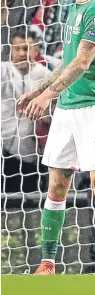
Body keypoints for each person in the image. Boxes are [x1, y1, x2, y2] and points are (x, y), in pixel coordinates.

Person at [16, 0, 95, 275]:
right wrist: (36, 90)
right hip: (67, 108)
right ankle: (47, 264)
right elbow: (65, 62)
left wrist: (47, 94)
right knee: (56, 186)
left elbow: (82, 62)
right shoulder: (71, 7)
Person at [2, 30, 50, 193]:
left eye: (26, 48)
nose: (22, 53)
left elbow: (51, 116)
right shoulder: (3, 72)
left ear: (35, 51)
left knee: (29, 203)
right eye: (17, 49)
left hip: (32, 155)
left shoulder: (45, 75)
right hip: (4, 150)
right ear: (11, 51)